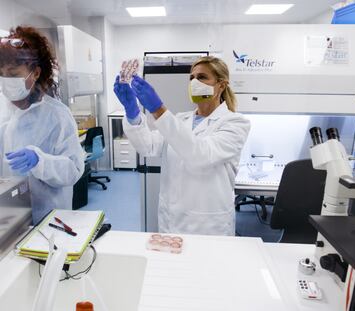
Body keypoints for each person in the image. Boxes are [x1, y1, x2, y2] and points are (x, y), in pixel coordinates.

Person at [114, 56, 250, 236]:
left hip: (207, 225)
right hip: (172, 220)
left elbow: (201, 155)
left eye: (202, 77)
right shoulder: (181, 119)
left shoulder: (235, 123)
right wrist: (132, 112)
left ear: (221, 85)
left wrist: (159, 110)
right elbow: (148, 146)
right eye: (191, 78)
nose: (194, 82)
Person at [0, 26, 84, 224]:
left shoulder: (57, 116)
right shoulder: (4, 112)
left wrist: (40, 161)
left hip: (49, 221)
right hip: (10, 221)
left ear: (36, 73)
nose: (5, 81)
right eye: (1, 74)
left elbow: (73, 170)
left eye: (13, 74)